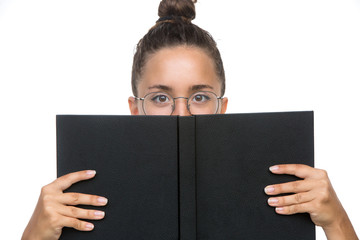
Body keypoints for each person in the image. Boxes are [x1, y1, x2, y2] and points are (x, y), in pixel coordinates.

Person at [22, 0, 358, 239]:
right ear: (135, 108)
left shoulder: (276, 188)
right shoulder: (85, 198)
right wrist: (36, 234)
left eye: (199, 97)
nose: (181, 114)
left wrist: (337, 222)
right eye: (160, 98)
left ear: (221, 107)